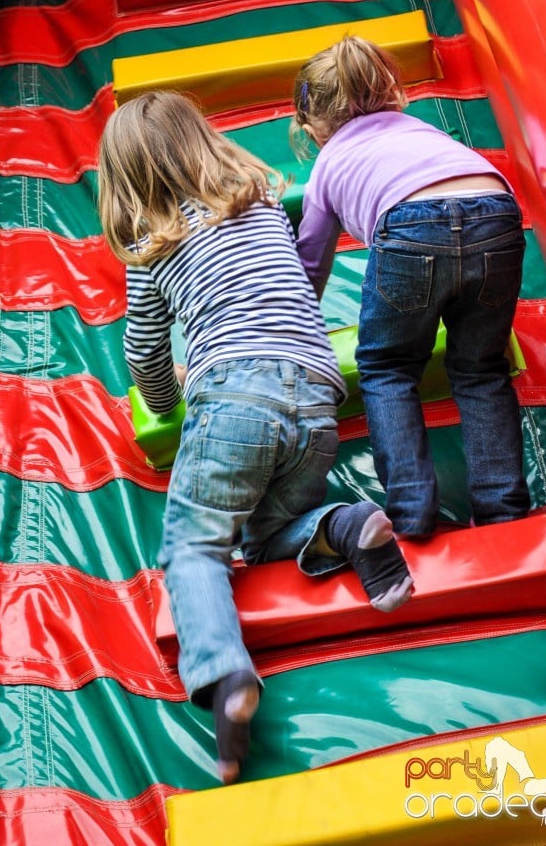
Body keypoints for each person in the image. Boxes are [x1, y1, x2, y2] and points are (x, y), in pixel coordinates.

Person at [97, 90, 413, 785]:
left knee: (194, 545)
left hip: (234, 398)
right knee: (263, 537)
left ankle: (225, 672)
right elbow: (288, 287)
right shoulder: (261, 204)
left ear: (126, 180)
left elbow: (146, 354)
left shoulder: (152, 245)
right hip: (317, 396)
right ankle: (347, 524)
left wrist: (166, 400)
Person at [291, 36, 530, 537]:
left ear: (312, 128)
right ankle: (504, 511)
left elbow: (311, 266)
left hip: (409, 225)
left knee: (388, 367)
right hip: (497, 212)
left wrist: (291, 332)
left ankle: (413, 512)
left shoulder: (328, 164)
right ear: (390, 93)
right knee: (482, 369)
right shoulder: (420, 130)